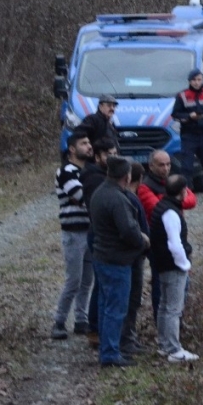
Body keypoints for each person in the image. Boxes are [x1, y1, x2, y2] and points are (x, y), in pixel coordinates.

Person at [89, 156, 149, 368]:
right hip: (116, 261)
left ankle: (107, 349)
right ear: (127, 176)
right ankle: (111, 353)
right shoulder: (117, 199)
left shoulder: (99, 193)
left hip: (102, 257)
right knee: (116, 308)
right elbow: (128, 231)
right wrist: (142, 240)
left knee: (106, 306)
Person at [137, 150, 197, 323]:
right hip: (157, 241)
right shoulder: (145, 186)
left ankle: (174, 322)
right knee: (161, 286)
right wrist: (174, 199)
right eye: (161, 165)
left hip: (174, 236)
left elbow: (191, 199)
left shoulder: (168, 183)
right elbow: (158, 207)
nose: (165, 168)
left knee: (179, 287)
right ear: (151, 166)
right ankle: (162, 323)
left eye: (168, 164)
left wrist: (171, 198)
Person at [150, 174, 199, 362]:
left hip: (162, 263)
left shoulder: (162, 206)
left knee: (164, 306)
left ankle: (164, 344)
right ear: (183, 191)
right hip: (172, 265)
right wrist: (184, 264)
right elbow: (175, 243)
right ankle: (173, 349)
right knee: (173, 309)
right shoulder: (171, 212)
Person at [51, 132, 94, 340]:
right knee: (74, 279)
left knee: (87, 279)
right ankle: (59, 321)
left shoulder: (88, 171)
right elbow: (81, 196)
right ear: (72, 149)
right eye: (84, 143)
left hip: (89, 229)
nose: (89, 146)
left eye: (89, 143)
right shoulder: (66, 172)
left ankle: (81, 319)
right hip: (73, 231)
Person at [81, 137, 118, 347]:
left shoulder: (101, 175)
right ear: (97, 157)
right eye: (108, 155)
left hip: (99, 232)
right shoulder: (94, 179)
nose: (112, 158)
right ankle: (94, 327)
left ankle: (97, 326)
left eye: (114, 153)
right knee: (101, 284)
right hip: (99, 233)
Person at [172, 69, 203, 203]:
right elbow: (175, 114)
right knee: (186, 167)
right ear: (189, 81)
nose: (196, 82)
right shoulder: (182, 95)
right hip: (189, 135)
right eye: (194, 80)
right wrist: (189, 116)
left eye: (199, 80)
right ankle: (187, 195)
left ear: (202, 80)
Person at [120, 161, 150, 357]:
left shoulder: (124, 197)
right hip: (132, 255)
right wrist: (144, 242)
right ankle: (126, 339)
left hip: (132, 254)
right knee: (131, 299)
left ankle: (129, 337)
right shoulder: (130, 199)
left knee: (132, 298)